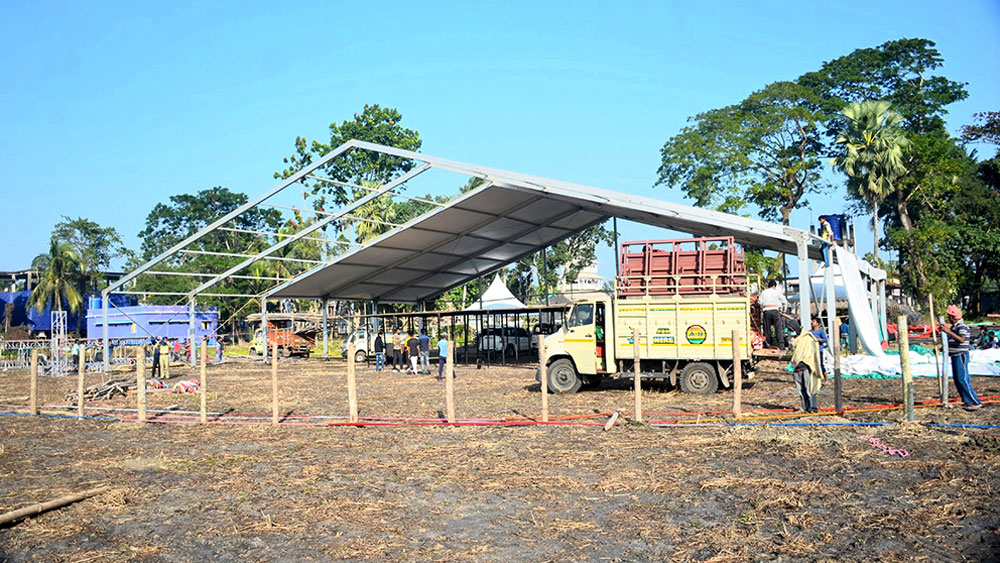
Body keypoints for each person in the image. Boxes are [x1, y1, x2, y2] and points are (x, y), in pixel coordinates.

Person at [940, 304, 981, 410]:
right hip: (955, 355)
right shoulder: (954, 327)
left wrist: (948, 331)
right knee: (958, 379)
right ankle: (967, 401)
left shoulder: (961, 326)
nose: (949, 318)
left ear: (953, 317)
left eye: (949, 316)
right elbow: (951, 340)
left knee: (963, 379)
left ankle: (974, 401)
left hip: (960, 355)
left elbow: (961, 339)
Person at [790, 329, 823, 413]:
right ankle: (805, 407)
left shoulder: (807, 339)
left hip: (807, 367)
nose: (791, 332)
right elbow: (795, 353)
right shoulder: (795, 340)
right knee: (801, 390)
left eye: (791, 330)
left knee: (810, 388)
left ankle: (813, 407)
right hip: (797, 368)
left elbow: (812, 353)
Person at [759, 280, 789, 350]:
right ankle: (781, 346)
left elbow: (759, 302)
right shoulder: (776, 292)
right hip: (775, 312)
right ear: (774, 286)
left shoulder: (763, 292)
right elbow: (785, 301)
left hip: (766, 311)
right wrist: (783, 311)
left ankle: (767, 345)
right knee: (778, 329)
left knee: (767, 330)